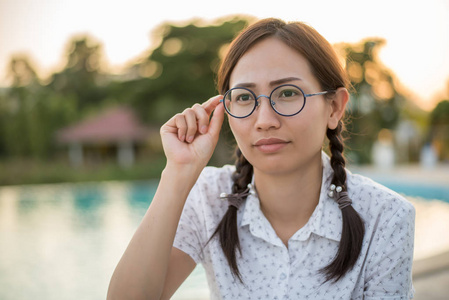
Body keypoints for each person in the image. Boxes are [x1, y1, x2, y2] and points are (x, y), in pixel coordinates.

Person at [107, 18, 415, 300]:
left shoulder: (385, 218)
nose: (264, 120)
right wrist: (177, 173)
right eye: (244, 97)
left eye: (288, 93)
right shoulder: (210, 198)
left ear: (334, 107)